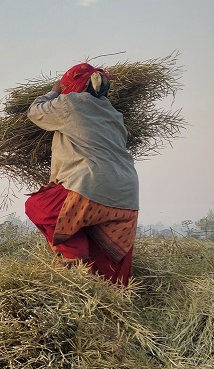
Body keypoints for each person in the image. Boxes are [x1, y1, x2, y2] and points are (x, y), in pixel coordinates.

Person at [25, 63, 139, 286]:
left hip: (91, 185)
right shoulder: (115, 115)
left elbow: (35, 111)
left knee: (39, 207)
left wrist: (54, 91)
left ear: (72, 85)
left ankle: (73, 253)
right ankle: (111, 300)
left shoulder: (70, 103)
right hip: (127, 194)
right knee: (107, 263)